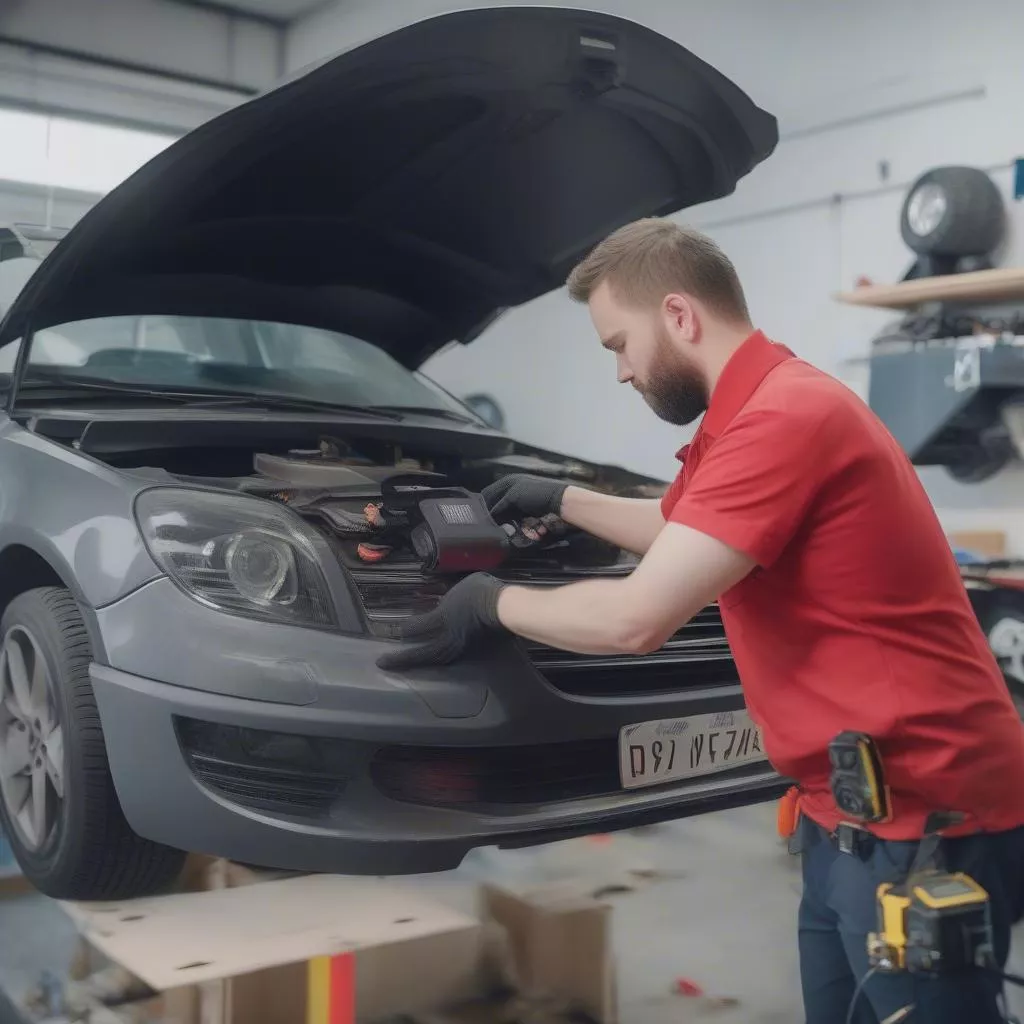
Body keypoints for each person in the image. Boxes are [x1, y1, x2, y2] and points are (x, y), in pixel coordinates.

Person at [377, 217, 1024, 1023]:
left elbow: (634, 621)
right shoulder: (752, 413)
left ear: (680, 317)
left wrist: (490, 604)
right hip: (845, 810)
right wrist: (565, 499)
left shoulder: (784, 419)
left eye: (619, 344)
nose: (620, 372)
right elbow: (682, 528)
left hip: (925, 809)